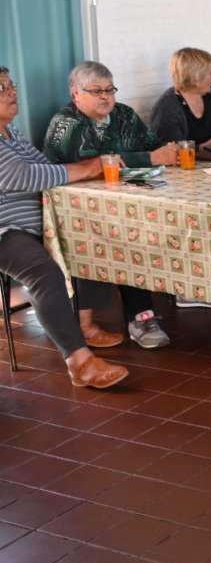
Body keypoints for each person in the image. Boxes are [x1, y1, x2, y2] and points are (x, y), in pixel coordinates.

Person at [0, 67, 129, 388]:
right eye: (2, 88)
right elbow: (22, 176)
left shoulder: (10, 133)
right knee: (43, 273)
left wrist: (86, 168)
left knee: (90, 235)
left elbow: (44, 167)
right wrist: (88, 167)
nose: (12, 92)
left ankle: (84, 325)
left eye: (11, 84)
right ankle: (80, 362)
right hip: (6, 229)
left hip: (38, 222)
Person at [44, 62, 176, 350]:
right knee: (127, 232)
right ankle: (141, 316)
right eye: (97, 91)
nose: (106, 97)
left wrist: (167, 152)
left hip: (127, 197)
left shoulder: (124, 114)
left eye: (110, 90)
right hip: (78, 210)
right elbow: (90, 163)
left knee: (169, 222)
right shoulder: (66, 123)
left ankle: (186, 289)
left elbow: (153, 145)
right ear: (76, 93)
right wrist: (149, 159)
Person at [150, 48, 211, 160]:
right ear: (195, 78)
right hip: (190, 168)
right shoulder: (167, 106)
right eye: (210, 72)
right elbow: (171, 152)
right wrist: (206, 146)